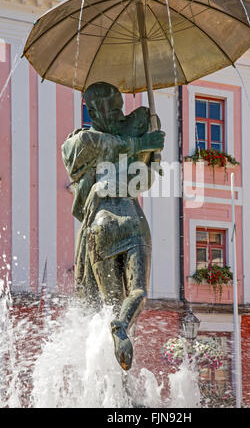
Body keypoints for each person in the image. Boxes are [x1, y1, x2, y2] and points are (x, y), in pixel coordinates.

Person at [62, 82, 165, 370]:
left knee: (111, 307)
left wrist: (153, 159)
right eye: (115, 107)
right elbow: (89, 146)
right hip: (131, 220)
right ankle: (120, 388)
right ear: (93, 111)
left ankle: (118, 377)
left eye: (121, 107)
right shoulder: (82, 140)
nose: (120, 113)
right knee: (133, 297)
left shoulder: (125, 134)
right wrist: (144, 145)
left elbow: (144, 180)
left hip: (102, 225)